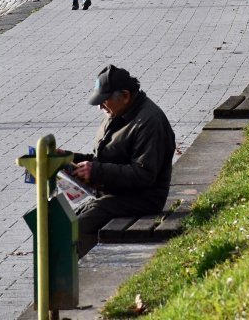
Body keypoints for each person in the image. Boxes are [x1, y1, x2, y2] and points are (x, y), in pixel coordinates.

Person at [69, 65, 175, 257]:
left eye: (104, 101)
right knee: (65, 222)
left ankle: (87, 274)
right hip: (116, 193)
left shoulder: (149, 122)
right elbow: (106, 158)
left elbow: (144, 175)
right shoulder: (118, 113)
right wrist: (70, 159)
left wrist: (97, 171)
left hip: (142, 198)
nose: (101, 107)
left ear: (125, 96)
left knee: (76, 228)